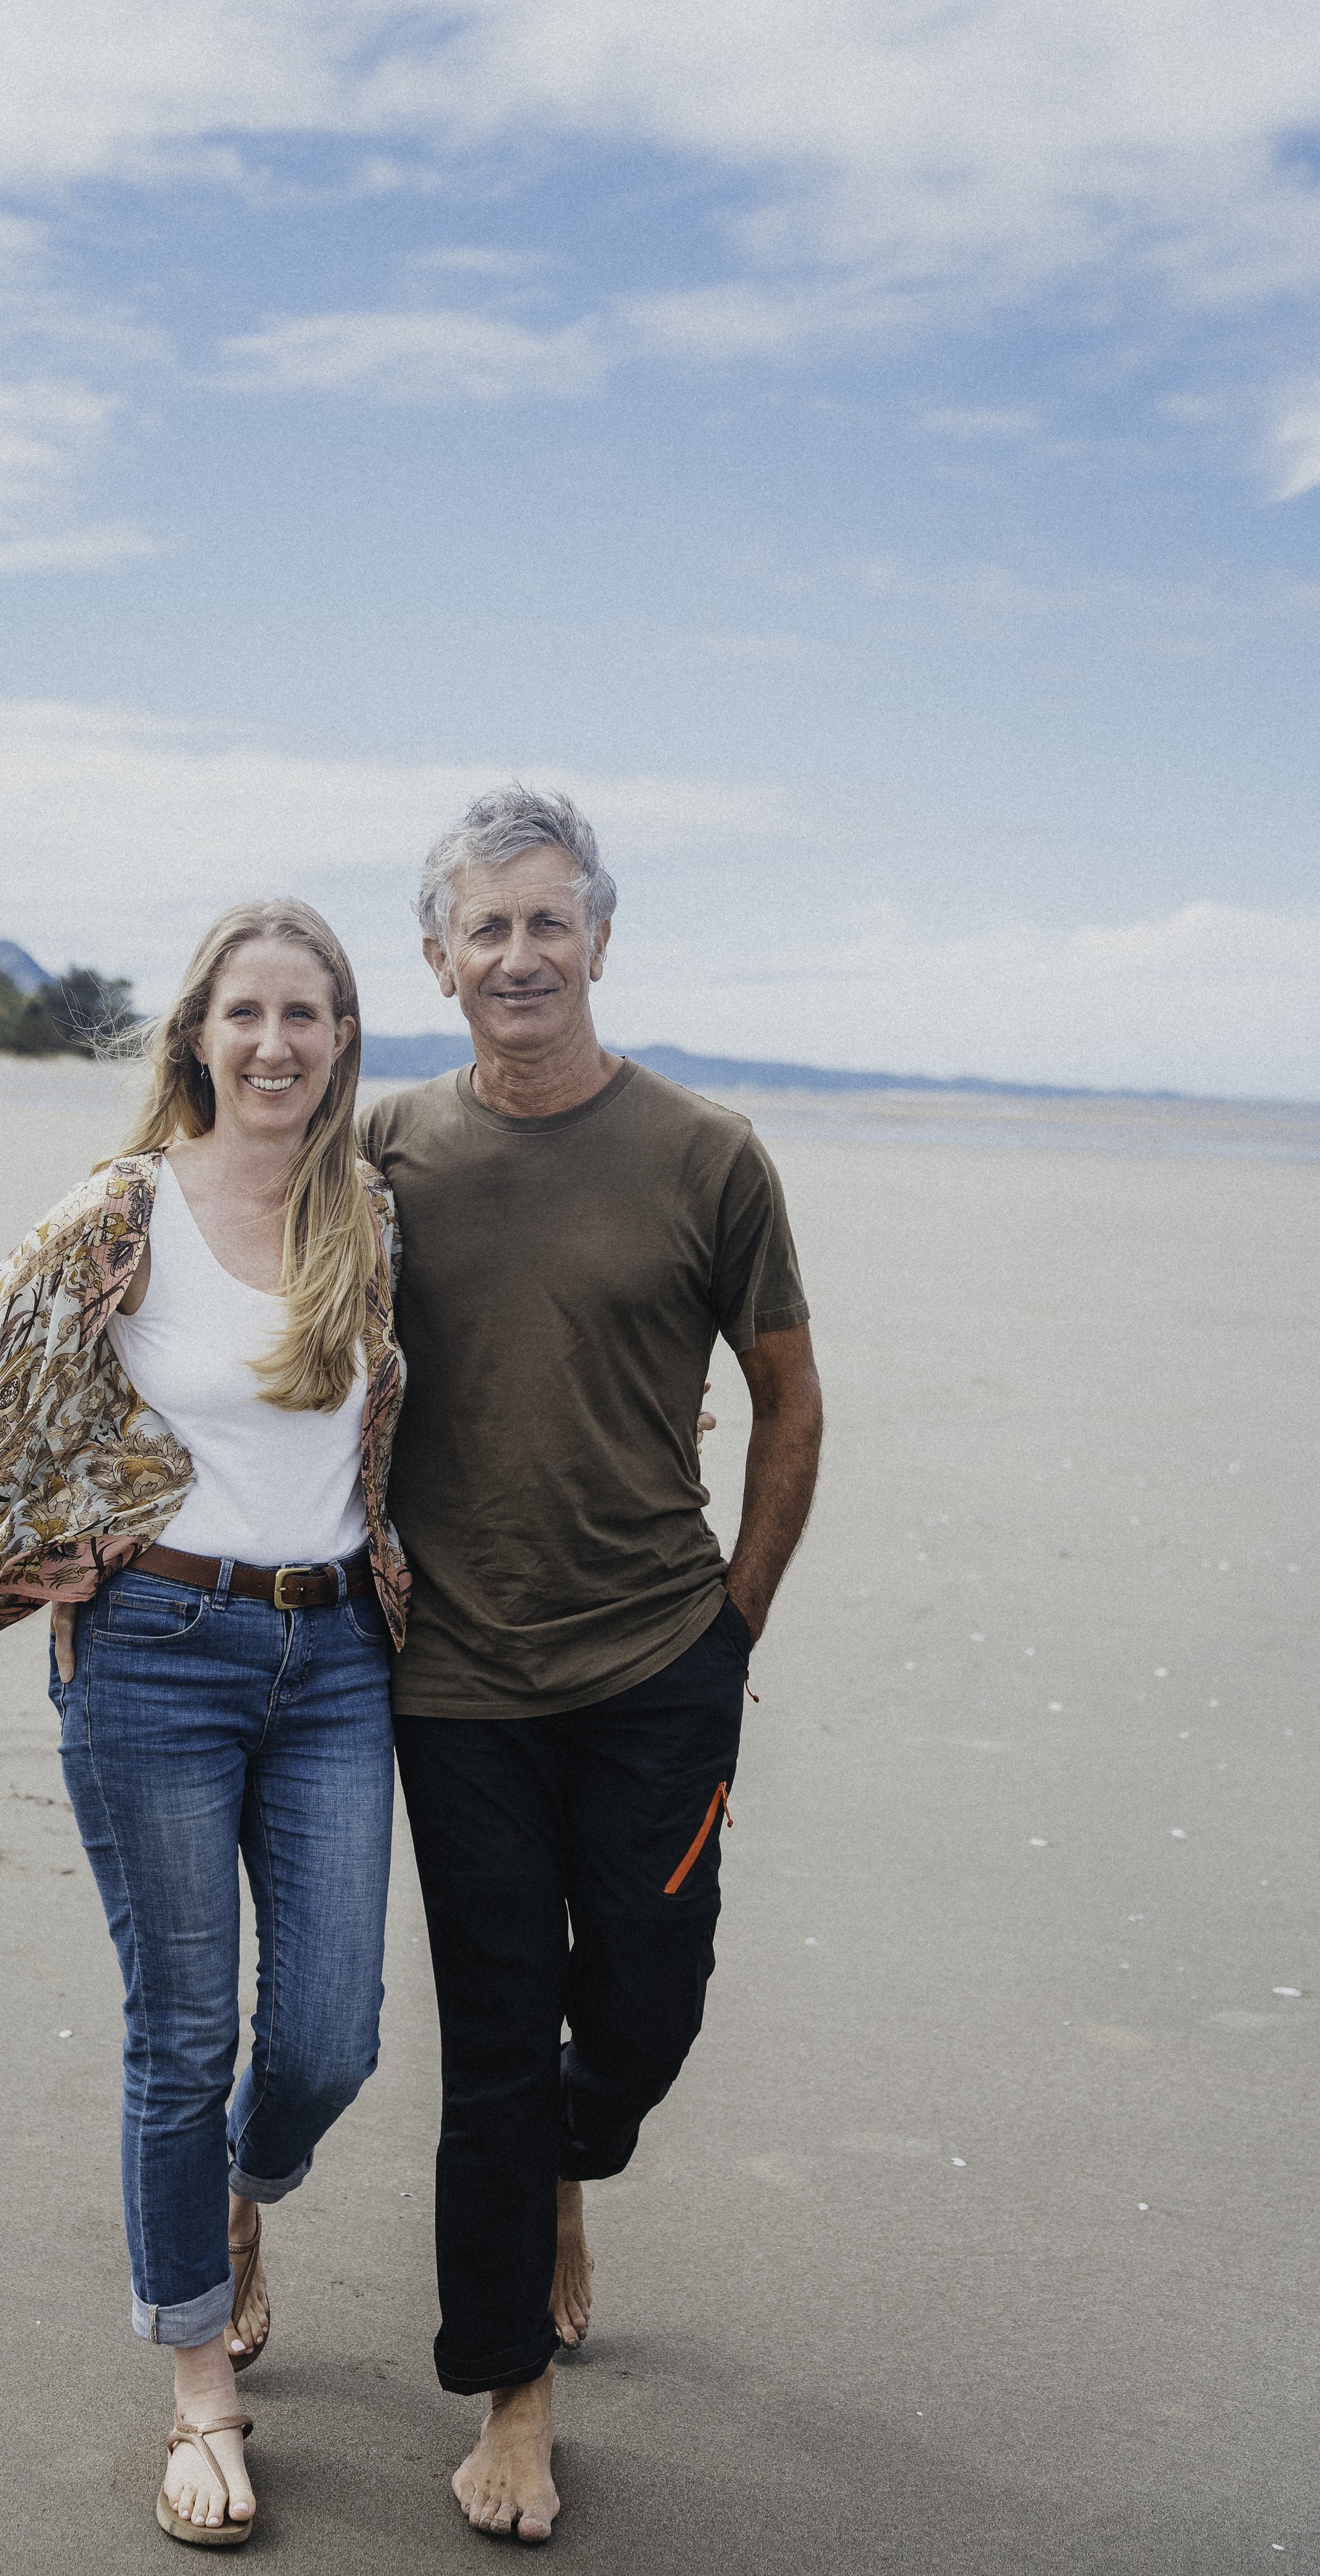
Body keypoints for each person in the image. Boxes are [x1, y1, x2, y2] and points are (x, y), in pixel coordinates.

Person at [0, 901, 407, 2549]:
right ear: (196, 1035)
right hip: (156, 1649)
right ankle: (198, 2395)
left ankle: (244, 2199)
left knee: (326, 2038)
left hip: (337, 1660)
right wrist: (69, 1522)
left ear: (339, 1039)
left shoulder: (366, 1216)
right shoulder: (124, 1209)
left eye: (304, 1014)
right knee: (179, 2035)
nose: (274, 1044)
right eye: (245, 1013)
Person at [358, 786, 824, 2545]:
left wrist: (734, 1626)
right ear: (436, 958)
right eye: (485, 926)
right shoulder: (383, 1151)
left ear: (601, 939)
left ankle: (576, 2157)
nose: (519, 953)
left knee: (641, 2005)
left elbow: (787, 1401)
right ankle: (511, 2399)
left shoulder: (707, 1158)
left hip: (655, 1663)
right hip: (455, 1681)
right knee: (490, 2041)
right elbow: (260, 1317)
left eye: (549, 920)